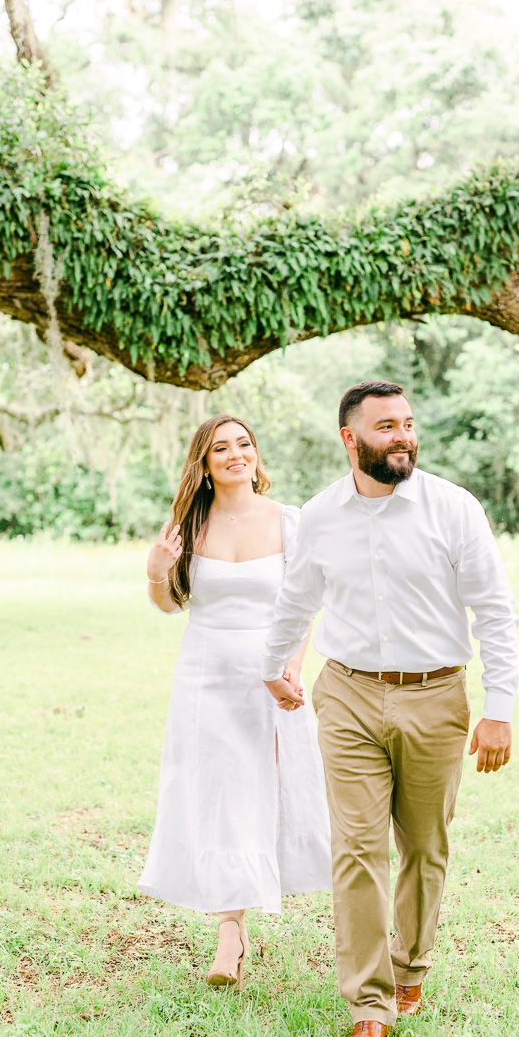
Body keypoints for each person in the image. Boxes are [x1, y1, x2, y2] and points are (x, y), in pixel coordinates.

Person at [262, 380, 519, 1037]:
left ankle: (411, 966)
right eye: (385, 426)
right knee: (356, 850)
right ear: (351, 439)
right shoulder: (320, 516)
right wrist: (272, 663)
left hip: (437, 695)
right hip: (346, 693)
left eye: (407, 422)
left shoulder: (453, 509)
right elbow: (296, 600)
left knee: (425, 848)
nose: (402, 435)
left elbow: (494, 610)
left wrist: (500, 710)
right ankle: (369, 1003)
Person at [138, 413, 331, 989]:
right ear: (205, 463)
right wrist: (156, 573)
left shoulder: (289, 522)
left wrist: (291, 666)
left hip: (272, 681)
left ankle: (253, 909)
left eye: (244, 444)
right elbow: (170, 605)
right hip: (206, 678)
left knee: (265, 790)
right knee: (221, 794)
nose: (235, 454)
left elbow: (305, 604)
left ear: (255, 454)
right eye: (221, 448)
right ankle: (230, 930)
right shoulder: (188, 525)